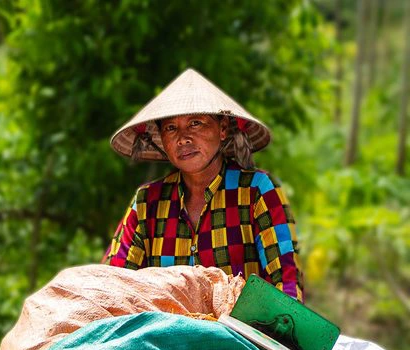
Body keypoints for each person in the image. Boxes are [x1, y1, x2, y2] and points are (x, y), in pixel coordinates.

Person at [103, 69, 303, 301]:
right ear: (162, 138)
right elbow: (114, 283)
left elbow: (286, 282)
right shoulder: (147, 202)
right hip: (165, 334)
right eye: (171, 128)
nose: (183, 138)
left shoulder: (256, 191)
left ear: (223, 129)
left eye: (196, 123)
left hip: (239, 333)